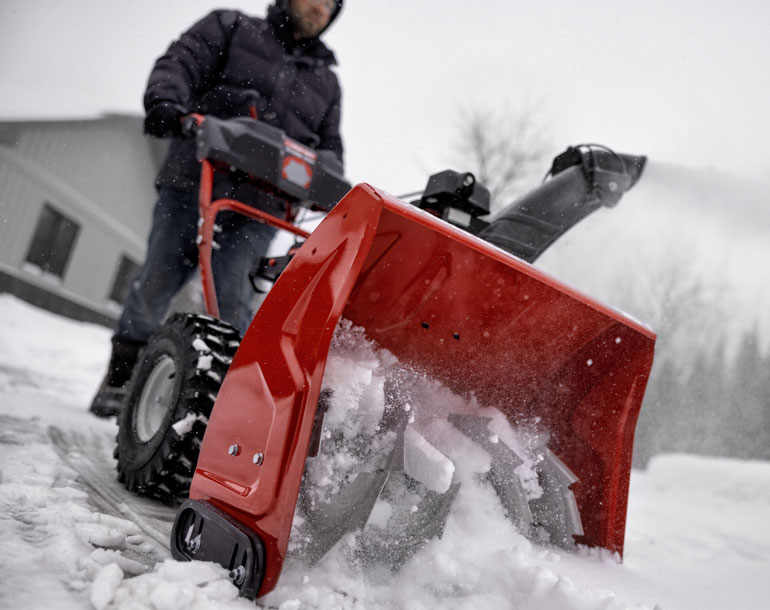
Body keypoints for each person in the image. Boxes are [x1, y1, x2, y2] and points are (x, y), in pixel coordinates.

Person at [90, 0, 344, 417]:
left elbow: (330, 149)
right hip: (194, 178)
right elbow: (182, 60)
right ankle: (119, 379)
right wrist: (166, 102)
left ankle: (214, 411)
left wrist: (330, 184)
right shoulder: (231, 27)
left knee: (231, 305)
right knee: (156, 282)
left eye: (331, 5)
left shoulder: (327, 84)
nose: (319, 7)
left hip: (260, 206)